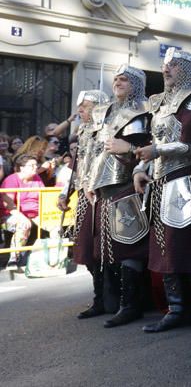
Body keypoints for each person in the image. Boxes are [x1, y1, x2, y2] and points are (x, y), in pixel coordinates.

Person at [132, 47, 191, 334]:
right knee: (163, 249)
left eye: (175, 65)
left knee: (186, 249)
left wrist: (158, 150)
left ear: (189, 70)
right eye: (165, 65)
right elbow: (147, 141)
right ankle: (176, 308)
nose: (166, 70)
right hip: (158, 184)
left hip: (184, 180)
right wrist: (139, 170)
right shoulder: (157, 104)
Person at [86, 65, 150, 328]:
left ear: (135, 84)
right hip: (104, 186)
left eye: (124, 79)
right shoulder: (106, 112)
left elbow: (146, 149)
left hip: (126, 184)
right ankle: (110, 301)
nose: (118, 83)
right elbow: (98, 152)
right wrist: (91, 181)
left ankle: (130, 305)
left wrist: (131, 148)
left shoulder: (142, 111)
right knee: (108, 247)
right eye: (116, 79)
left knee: (129, 247)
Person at [58, 89, 110, 319]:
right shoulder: (82, 132)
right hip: (83, 199)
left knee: (104, 252)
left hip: (103, 197)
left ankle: (113, 298)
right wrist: (65, 193)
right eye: (81, 106)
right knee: (87, 252)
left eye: (86, 106)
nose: (80, 110)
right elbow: (77, 167)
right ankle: (99, 298)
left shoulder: (107, 130)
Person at [0, 154, 45, 268]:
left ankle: (55, 256)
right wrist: (22, 217)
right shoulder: (11, 180)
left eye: (36, 165)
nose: (35, 167)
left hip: (36, 213)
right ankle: (14, 258)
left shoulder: (37, 178)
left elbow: (44, 196)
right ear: (22, 167)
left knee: (54, 224)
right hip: (11, 213)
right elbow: (8, 203)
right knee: (24, 224)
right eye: (32, 165)